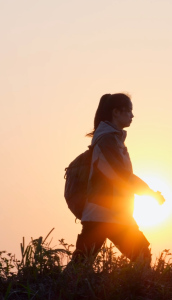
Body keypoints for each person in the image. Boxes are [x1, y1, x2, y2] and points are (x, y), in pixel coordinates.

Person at [67, 93, 165, 270]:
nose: (132, 116)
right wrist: (150, 193)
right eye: (129, 111)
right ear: (116, 112)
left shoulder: (112, 139)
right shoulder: (108, 140)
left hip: (110, 212)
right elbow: (123, 175)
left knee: (81, 264)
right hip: (104, 212)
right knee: (141, 254)